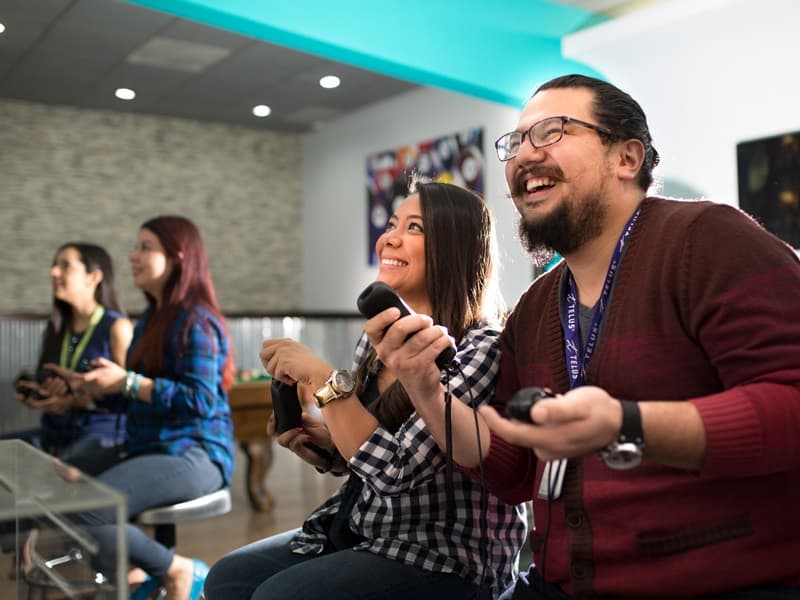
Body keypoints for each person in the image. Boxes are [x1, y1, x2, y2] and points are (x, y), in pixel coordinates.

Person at [366, 74, 800, 599]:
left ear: (627, 158)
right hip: (560, 583)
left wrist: (626, 424)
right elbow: (513, 470)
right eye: (516, 141)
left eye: (552, 132)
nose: (524, 155)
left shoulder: (708, 239)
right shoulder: (536, 308)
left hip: (720, 582)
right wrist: (425, 388)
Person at [204, 181, 527, 600]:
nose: (388, 237)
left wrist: (323, 380)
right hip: (367, 529)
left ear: (455, 249)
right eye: (392, 223)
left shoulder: (481, 347)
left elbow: (395, 474)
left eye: (414, 228)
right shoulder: (378, 338)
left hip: (447, 555)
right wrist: (328, 448)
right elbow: (367, 457)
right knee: (227, 578)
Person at [48, 216, 235, 600]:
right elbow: (136, 394)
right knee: (62, 488)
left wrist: (128, 382)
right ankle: (139, 576)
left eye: (145, 247)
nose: (132, 256)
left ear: (179, 256)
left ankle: (176, 570)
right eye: (135, 247)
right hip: (152, 446)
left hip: (195, 452)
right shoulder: (153, 317)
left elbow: (200, 401)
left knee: (91, 506)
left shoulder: (196, 321)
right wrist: (84, 391)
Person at [11, 242, 132, 475]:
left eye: (65, 266)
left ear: (93, 277)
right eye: (54, 265)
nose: (53, 272)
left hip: (101, 438)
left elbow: (133, 396)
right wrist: (39, 390)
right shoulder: (57, 328)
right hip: (55, 433)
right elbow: (50, 376)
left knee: (57, 475)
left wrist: (80, 400)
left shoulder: (117, 328)